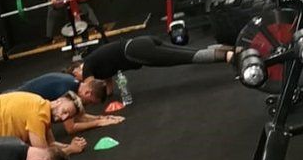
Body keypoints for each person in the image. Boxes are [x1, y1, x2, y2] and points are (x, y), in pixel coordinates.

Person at [70, 36, 236, 93]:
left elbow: (89, 88)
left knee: (186, 57)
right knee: (187, 52)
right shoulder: (97, 67)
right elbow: (107, 88)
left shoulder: (88, 65)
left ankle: (231, 56)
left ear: (78, 68)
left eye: (75, 76)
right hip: (140, 43)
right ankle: (234, 50)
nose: (77, 80)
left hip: (136, 51)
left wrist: (78, 99)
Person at [14, 73, 123, 134]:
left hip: (18, 97)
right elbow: (71, 128)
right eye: (90, 102)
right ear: (87, 92)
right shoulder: (66, 90)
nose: (87, 105)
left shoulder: (73, 83)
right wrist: (99, 123)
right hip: (15, 105)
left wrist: (101, 118)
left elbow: (80, 117)